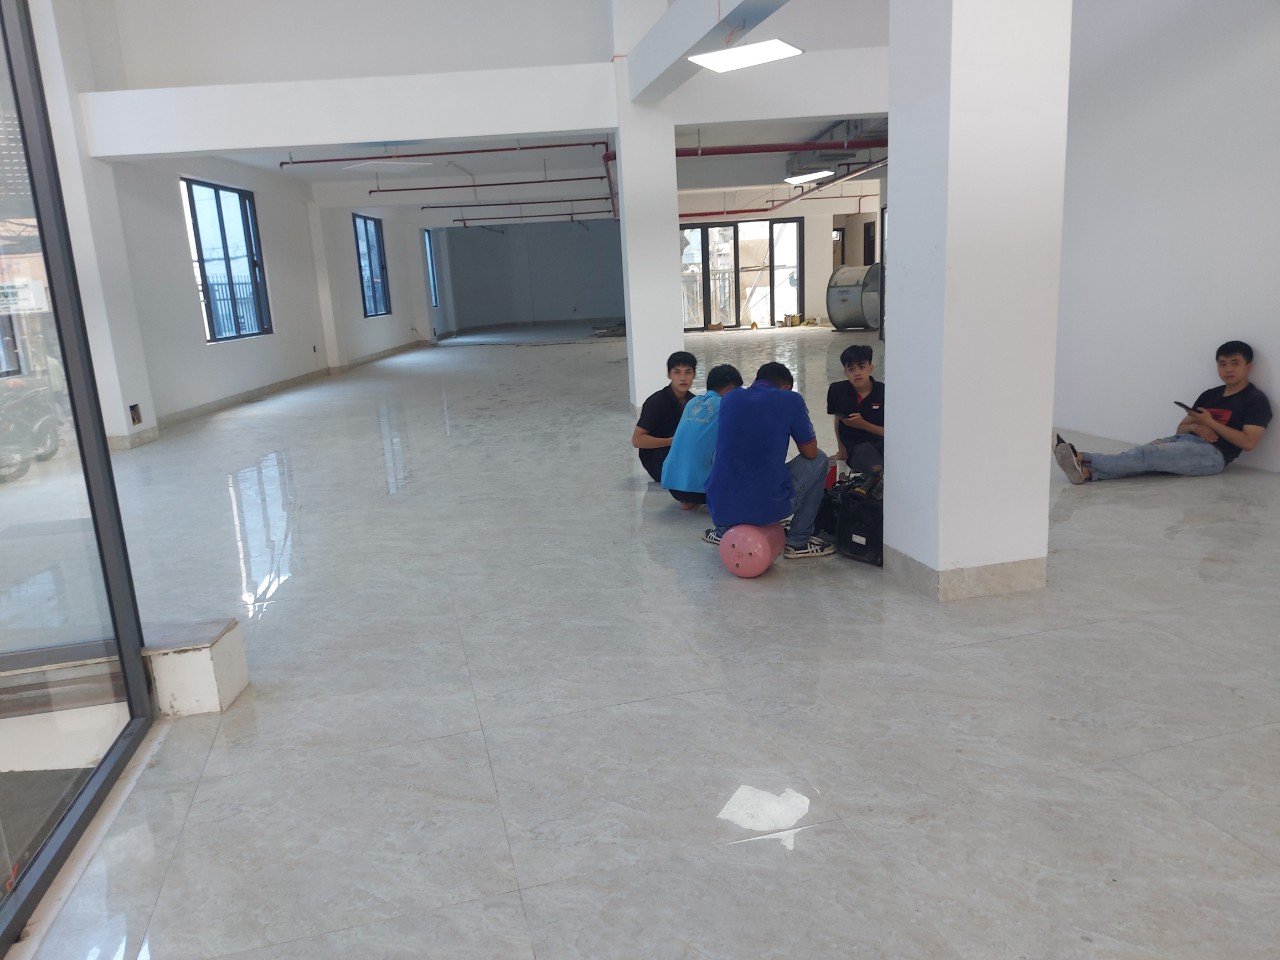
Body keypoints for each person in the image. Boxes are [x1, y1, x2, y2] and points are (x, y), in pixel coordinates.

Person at [1054, 340, 1271, 483]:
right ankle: (1086, 473)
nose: (1228, 369)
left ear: (1248, 366)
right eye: (1222, 364)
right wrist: (1197, 427)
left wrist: (1210, 423)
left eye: (1235, 363)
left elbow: (1248, 442)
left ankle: (1081, 456)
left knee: (1146, 455)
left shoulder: (1256, 400)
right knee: (1139, 456)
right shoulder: (1210, 394)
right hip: (1184, 441)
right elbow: (1181, 428)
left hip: (1213, 455)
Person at [704, 362, 835, 558]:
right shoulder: (791, 400)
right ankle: (798, 541)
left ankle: (722, 531)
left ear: (756, 381)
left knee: (721, 454)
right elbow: (810, 452)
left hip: (719, 508)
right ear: (785, 387)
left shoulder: (730, 397)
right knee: (821, 460)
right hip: (766, 508)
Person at [661, 363, 743, 508]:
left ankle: (688, 500)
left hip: (674, 487)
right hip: (704, 491)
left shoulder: (692, 402)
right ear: (731, 389)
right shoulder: (727, 405)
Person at [632, 351, 696, 485]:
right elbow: (637, 440)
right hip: (658, 459)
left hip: (683, 456)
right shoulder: (656, 402)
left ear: (694, 375)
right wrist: (670, 442)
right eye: (677, 372)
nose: (683, 378)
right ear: (669, 375)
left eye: (688, 372)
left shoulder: (694, 402)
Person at [826, 344, 884, 474]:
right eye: (851, 369)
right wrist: (841, 451)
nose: (857, 373)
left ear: (870, 368)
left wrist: (863, 424)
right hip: (857, 447)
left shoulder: (883, 392)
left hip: (883, 442)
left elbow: (892, 433)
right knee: (876, 469)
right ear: (845, 372)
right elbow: (838, 419)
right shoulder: (837, 391)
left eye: (862, 367)